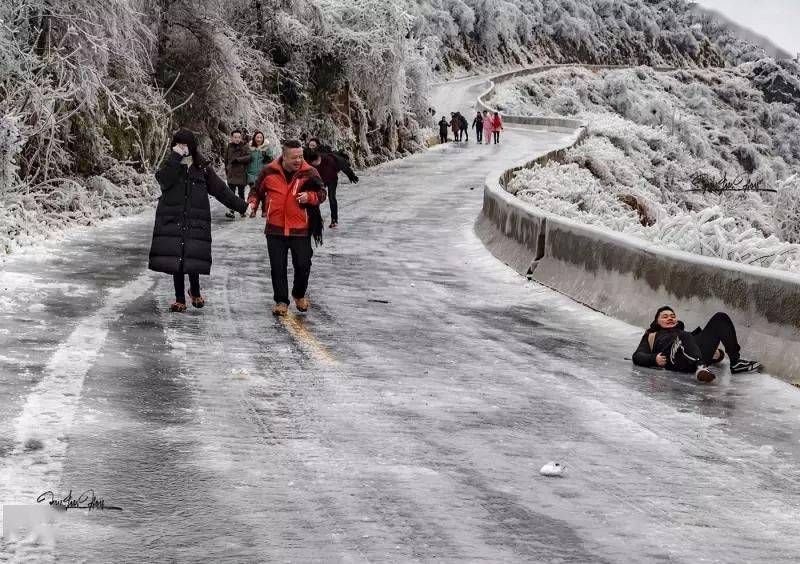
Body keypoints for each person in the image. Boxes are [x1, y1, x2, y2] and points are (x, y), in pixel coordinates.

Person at [149, 130, 252, 312]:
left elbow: (221, 190)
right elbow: (164, 181)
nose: (183, 147)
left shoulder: (202, 168)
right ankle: (179, 298)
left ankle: (194, 291)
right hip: (173, 219)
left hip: (196, 220)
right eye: (179, 144)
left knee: (193, 256)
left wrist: (242, 206)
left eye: (186, 144)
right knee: (177, 261)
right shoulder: (171, 165)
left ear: (193, 146)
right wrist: (175, 158)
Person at [248, 139, 327, 316]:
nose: (299, 160)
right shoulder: (268, 171)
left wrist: (310, 197)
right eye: (294, 157)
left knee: (303, 264)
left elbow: (322, 193)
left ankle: (299, 295)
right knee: (278, 266)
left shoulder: (310, 172)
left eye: (301, 156)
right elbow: (256, 191)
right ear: (284, 157)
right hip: (275, 228)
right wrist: (252, 204)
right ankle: (281, 301)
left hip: (301, 228)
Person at [632, 306, 762, 382]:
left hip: (691, 355)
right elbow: (637, 356)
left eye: (672, 316)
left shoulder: (684, 333)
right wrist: (654, 359)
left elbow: (717, 355)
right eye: (665, 316)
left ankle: (735, 362)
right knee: (684, 335)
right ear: (657, 322)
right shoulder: (652, 335)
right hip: (672, 359)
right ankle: (701, 367)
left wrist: (718, 354)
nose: (670, 318)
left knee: (720, 317)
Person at [306, 149, 358, 229]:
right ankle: (317, 219)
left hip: (332, 179)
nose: (313, 165)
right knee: (315, 198)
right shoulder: (311, 163)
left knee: (331, 197)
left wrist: (351, 175)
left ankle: (334, 220)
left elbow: (343, 165)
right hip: (320, 180)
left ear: (318, 159)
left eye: (314, 164)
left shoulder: (329, 159)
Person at [224, 129, 251, 218]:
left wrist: (238, 160)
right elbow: (226, 159)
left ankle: (242, 210)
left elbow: (249, 157)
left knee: (241, 193)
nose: (237, 139)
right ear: (232, 138)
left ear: (241, 137)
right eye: (235, 137)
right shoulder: (229, 146)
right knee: (231, 193)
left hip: (241, 173)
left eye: (239, 137)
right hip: (231, 172)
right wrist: (227, 169)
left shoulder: (245, 146)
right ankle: (231, 210)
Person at [246, 131, 273, 217]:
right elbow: (245, 158)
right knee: (253, 193)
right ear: (254, 138)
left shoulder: (266, 148)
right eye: (257, 137)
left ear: (263, 138)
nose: (259, 139)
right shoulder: (250, 148)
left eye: (261, 137)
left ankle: (264, 210)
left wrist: (267, 157)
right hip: (251, 173)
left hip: (263, 174)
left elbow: (271, 160)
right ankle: (253, 210)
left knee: (263, 193)